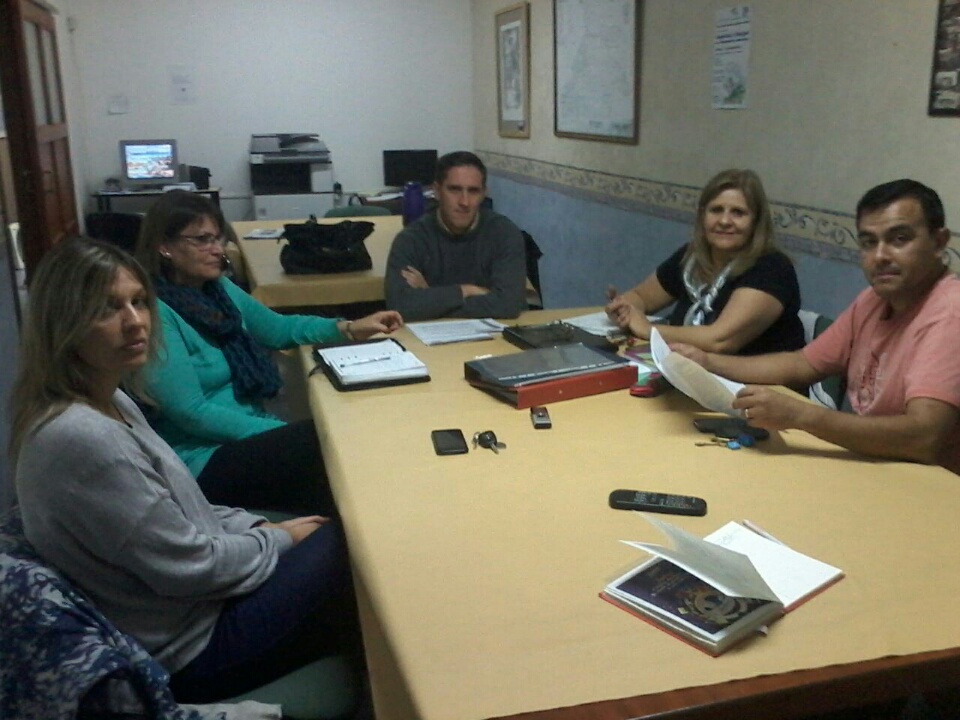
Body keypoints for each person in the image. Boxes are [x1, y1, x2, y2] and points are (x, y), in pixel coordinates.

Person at [10, 238, 362, 703]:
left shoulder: (109, 398)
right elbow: (191, 568)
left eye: (138, 302)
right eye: (107, 308)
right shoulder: (82, 437)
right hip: (191, 651)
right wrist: (279, 539)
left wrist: (259, 526)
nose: (135, 322)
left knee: (343, 545)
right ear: (64, 324)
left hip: (195, 609)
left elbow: (184, 506)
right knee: (360, 538)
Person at [134, 190, 402, 514]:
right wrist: (276, 432)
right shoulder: (155, 312)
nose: (217, 249)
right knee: (335, 455)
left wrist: (348, 327)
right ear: (164, 246)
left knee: (346, 454)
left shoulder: (216, 289)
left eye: (218, 238)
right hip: (202, 459)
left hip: (249, 435)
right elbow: (191, 412)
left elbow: (277, 329)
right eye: (202, 240)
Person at [673, 179, 960, 475]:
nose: (880, 256)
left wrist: (801, 415)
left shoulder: (950, 314)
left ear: (939, 242)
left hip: (935, 487)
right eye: (868, 242)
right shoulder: (874, 300)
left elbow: (925, 438)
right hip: (878, 465)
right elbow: (801, 364)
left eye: (899, 239)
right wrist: (707, 361)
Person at [606, 169, 804, 355]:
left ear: (756, 222)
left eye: (738, 213)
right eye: (716, 210)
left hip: (760, 386)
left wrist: (648, 329)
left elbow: (719, 340)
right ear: (702, 215)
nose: (725, 221)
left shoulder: (772, 268)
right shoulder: (692, 256)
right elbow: (641, 297)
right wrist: (625, 310)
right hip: (691, 372)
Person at [384, 150, 528, 321]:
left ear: (483, 194)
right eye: (455, 190)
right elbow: (400, 306)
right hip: (430, 341)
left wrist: (430, 296)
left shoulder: (504, 233)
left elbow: (508, 305)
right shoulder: (411, 239)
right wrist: (466, 291)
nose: (464, 202)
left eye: (473, 191)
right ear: (437, 191)